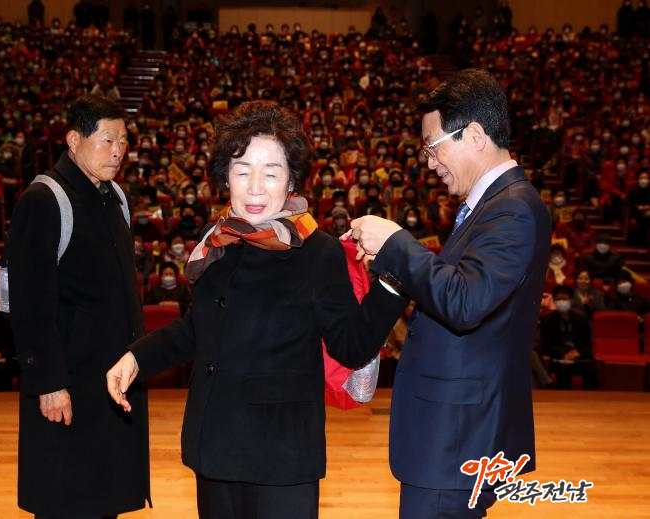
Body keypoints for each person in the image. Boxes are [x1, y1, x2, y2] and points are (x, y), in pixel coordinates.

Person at [106, 101, 402, 519]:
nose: (256, 188)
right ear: (225, 176)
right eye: (243, 171)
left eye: (271, 172)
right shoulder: (217, 241)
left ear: (292, 180)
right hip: (214, 446)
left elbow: (351, 346)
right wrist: (137, 357)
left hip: (280, 457)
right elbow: (197, 329)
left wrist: (391, 282)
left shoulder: (317, 252)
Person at [347, 69, 551, 517]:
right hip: (454, 435)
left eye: (432, 146)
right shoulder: (493, 207)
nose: (429, 162)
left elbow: (465, 301)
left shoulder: (512, 209)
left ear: (474, 135)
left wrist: (396, 242)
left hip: (457, 438)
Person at [7, 95, 149, 518]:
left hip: (110, 381)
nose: (118, 151)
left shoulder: (115, 197)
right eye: (107, 140)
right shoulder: (44, 200)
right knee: (66, 501)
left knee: (105, 500)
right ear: (73, 140)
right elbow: (29, 304)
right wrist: (48, 382)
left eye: (123, 142)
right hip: (68, 385)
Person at [540, 285, 599, 390]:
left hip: (579, 357)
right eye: (558, 299)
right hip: (558, 358)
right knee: (564, 369)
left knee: (592, 369)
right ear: (554, 301)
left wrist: (578, 353)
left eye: (565, 299)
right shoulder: (547, 320)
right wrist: (564, 353)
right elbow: (548, 344)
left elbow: (587, 343)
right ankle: (563, 398)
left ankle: (590, 398)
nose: (561, 302)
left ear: (571, 300)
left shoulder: (582, 319)